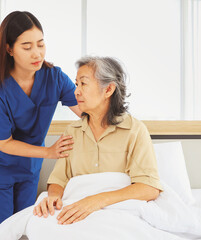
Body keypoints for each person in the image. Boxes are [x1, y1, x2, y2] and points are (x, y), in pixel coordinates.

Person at [0, 11, 82, 240]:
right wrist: (49, 152)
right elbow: (3, 142)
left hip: (28, 168)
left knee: (24, 227)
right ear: (9, 49)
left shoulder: (54, 78)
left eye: (41, 44)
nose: (37, 53)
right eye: (27, 46)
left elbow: (84, 110)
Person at [33, 56, 163, 225]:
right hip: (76, 212)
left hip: (118, 215)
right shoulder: (73, 132)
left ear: (108, 89)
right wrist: (54, 197)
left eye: (83, 84)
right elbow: (59, 180)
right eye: (76, 84)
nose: (76, 91)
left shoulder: (135, 131)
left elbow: (149, 188)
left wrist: (95, 201)